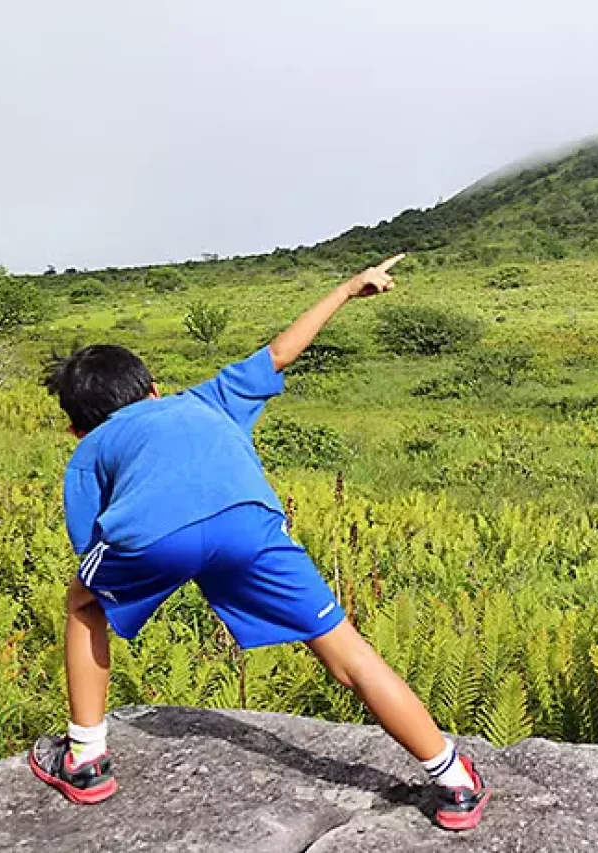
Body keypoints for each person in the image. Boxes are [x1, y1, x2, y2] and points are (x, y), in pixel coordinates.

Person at [31, 254, 489, 831]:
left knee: (83, 604)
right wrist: (348, 288)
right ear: (154, 389)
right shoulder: (206, 399)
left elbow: (94, 543)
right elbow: (280, 351)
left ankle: (85, 759)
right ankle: (454, 781)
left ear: (76, 426)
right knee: (346, 652)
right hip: (249, 523)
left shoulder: (89, 448)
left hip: (152, 537)